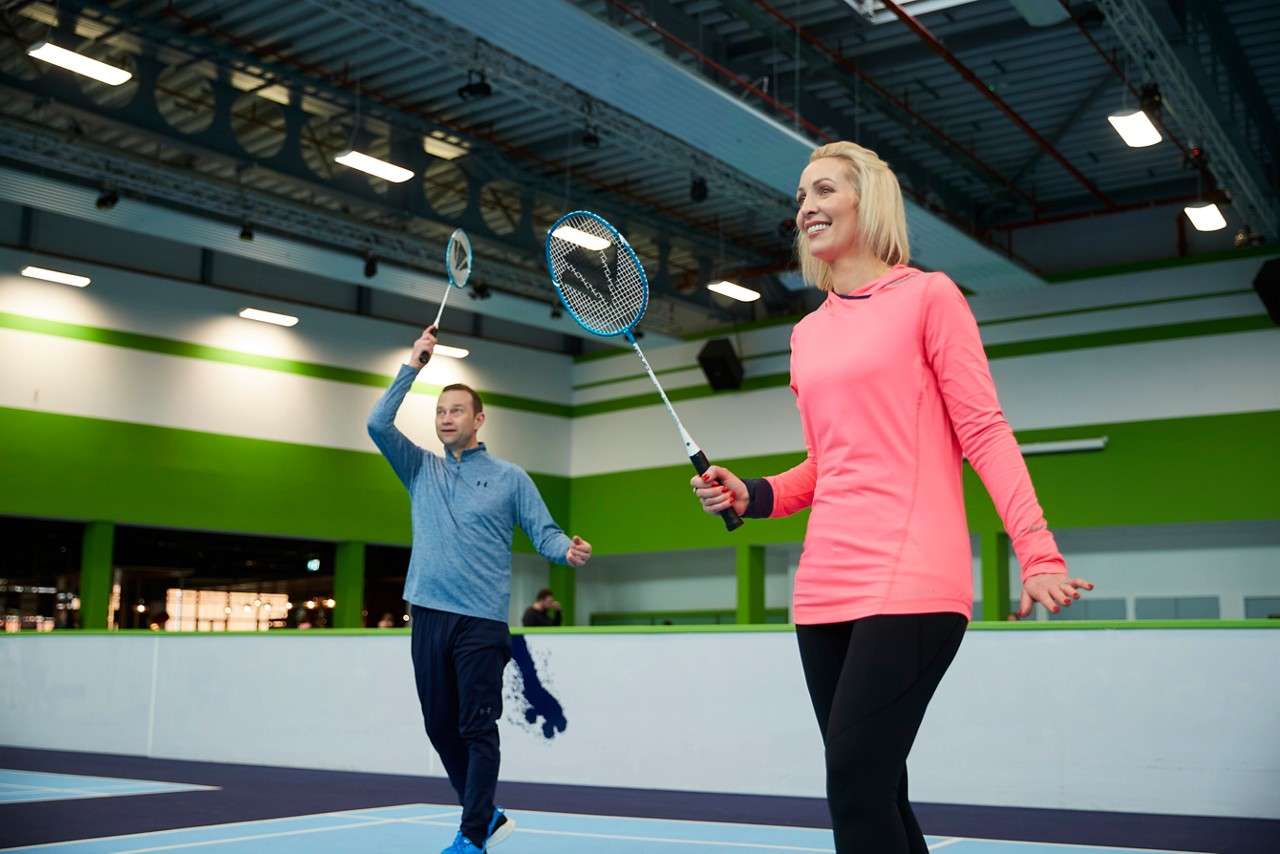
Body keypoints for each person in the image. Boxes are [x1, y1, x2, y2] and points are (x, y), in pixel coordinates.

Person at [692, 141, 1094, 854]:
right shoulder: (807, 335)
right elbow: (827, 465)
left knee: (854, 783)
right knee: (876, 790)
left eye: (824, 190)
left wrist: (1037, 552)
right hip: (823, 589)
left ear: (868, 200)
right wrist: (752, 493)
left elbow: (984, 430)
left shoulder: (929, 297)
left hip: (912, 581)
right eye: (800, 198)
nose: (806, 208)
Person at [368, 325, 592, 854]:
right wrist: (413, 366)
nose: (446, 418)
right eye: (440, 412)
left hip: (481, 623)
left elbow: (544, 532)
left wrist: (566, 550)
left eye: (457, 411)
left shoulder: (511, 478)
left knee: (476, 726)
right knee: (438, 726)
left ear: (479, 419)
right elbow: (377, 423)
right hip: (427, 614)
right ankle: (486, 815)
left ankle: (471, 835)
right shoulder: (420, 469)